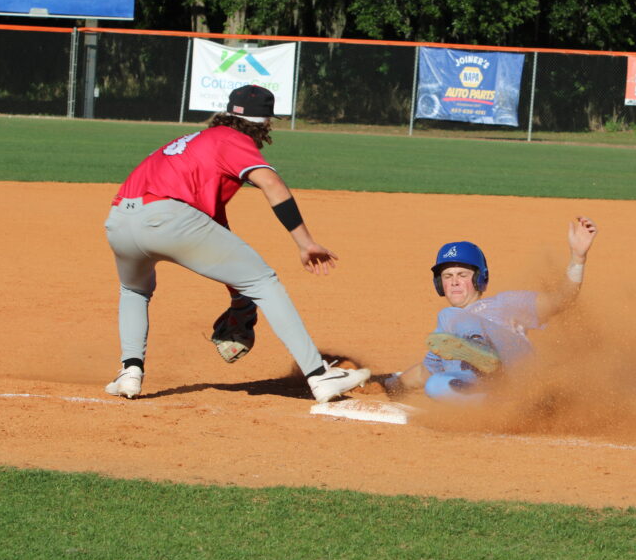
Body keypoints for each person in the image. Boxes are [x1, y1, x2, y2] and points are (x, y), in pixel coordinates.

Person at [103, 84, 370, 403]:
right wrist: (305, 242)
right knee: (264, 281)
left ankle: (130, 371)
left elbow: (214, 234)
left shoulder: (192, 142)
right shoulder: (234, 140)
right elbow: (272, 184)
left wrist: (238, 298)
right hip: (168, 215)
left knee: (134, 290)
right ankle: (319, 375)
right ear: (265, 123)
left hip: (119, 220)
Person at [385, 217, 598, 402]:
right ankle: (509, 405)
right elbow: (422, 373)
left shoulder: (505, 303)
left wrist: (578, 258)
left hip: (517, 367)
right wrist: (384, 383)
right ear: (440, 285)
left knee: (449, 315)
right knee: (436, 386)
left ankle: (481, 348)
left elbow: (560, 300)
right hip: (501, 393)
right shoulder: (446, 341)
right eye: (448, 277)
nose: (454, 282)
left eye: (462, 275)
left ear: (480, 279)